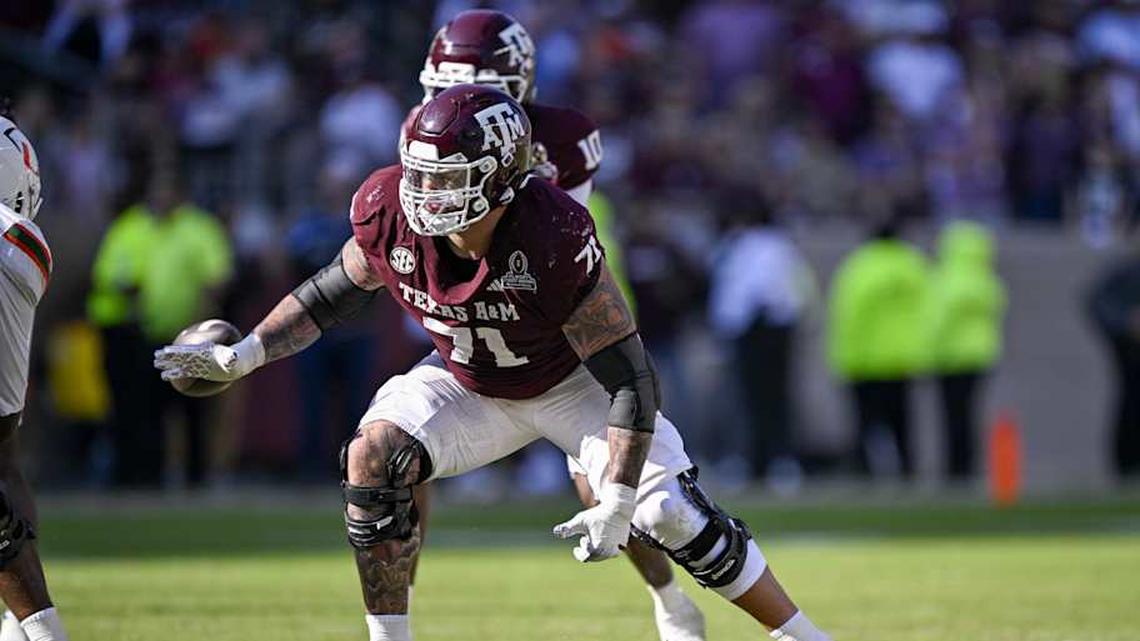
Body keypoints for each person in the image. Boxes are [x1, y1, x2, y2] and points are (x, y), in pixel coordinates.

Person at [155, 86, 832, 641]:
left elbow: (629, 375)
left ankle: (801, 633)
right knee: (373, 454)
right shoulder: (388, 207)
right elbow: (330, 292)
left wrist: (619, 500)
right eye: (419, 173)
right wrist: (240, 353)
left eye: (446, 179)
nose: (425, 193)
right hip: (467, 381)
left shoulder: (553, 231)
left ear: (501, 180)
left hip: (573, 383)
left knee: (670, 515)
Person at [404, 11, 703, 640]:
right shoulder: (428, 133)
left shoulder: (563, 136)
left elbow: (539, 234)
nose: (453, 100)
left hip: (565, 312)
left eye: (482, 83)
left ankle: (668, 595)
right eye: (445, 85)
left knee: (602, 487)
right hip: (472, 306)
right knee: (394, 450)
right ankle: (397, 595)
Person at [89, 173, 233, 486]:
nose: (162, 197)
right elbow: (107, 274)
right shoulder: (130, 227)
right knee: (143, 410)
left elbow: (219, 276)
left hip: (188, 338)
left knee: (193, 408)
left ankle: (197, 478)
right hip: (141, 335)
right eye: (157, 190)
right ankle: (142, 478)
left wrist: (204, 312)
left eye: (168, 189)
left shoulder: (198, 227)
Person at [0, 112, 71, 640]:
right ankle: (18, 622)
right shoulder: (14, 132)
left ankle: (38, 629)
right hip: (23, 246)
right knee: (3, 453)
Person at [709, 197, 815, 491]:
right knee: (758, 400)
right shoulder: (744, 246)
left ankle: (774, 460)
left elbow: (752, 294)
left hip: (763, 330)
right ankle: (759, 460)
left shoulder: (764, 247)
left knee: (764, 399)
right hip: (761, 330)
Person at [827, 218, 928, 479]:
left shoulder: (861, 266)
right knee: (902, 421)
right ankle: (908, 471)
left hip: (867, 359)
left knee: (867, 423)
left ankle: (865, 472)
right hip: (903, 357)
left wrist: (844, 357)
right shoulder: (913, 265)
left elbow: (849, 314)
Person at [928, 221, 1005, 481]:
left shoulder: (946, 279)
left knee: (953, 416)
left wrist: (928, 352)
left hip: (950, 356)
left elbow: (937, 321)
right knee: (970, 414)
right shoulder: (986, 281)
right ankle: (968, 467)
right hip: (981, 354)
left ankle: (955, 469)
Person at [1088, 244, 1140, 480]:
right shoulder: (1124, 271)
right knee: (1130, 401)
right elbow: (1097, 303)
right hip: (1129, 349)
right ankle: (1126, 463)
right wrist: (1126, 323)